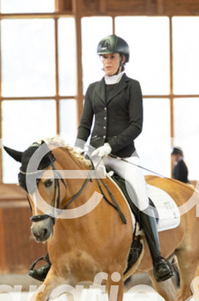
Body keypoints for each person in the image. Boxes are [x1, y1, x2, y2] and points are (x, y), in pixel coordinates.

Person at [28, 34, 174, 283]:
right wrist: (77, 150)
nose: (107, 61)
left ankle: (159, 259)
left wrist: (111, 146)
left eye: (112, 57)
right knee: (68, 196)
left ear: (123, 59)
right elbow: (85, 124)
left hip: (123, 156)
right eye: (104, 57)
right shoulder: (93, 89)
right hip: (94, 156)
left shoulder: (132, 87)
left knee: (140, 198)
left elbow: (136, 125)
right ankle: (52, 260)